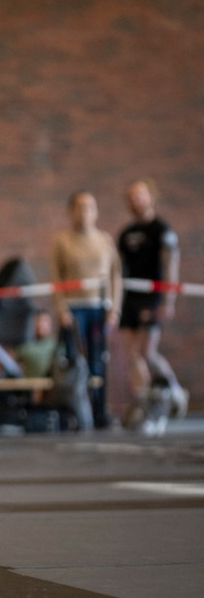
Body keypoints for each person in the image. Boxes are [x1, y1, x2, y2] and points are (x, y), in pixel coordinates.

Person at [117, 179, 186, 429]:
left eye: (141, 195)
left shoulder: (161, 230)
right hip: (130, 298)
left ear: (150, 197)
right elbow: (119, 269)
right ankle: (145, 402)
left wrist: (168, 299)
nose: (136, 200)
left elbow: (170, 264)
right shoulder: (125, 234)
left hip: (152, 297)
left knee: (145, 352)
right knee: (131, 355)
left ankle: (174, 390)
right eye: (132, 196)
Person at [51, 190, 123, 429]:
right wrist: (61, 309)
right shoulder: (63, 241)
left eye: (90, 206)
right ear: (71, 211)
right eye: (80, 207)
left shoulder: (105, 240)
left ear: (96, 211)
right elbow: (57, 278)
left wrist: (114, 311)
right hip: (74, 310)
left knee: (98, 362)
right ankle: (75, 413)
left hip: (99, 309)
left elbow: (115, 277)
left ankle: (99, 411)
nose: (85, 212)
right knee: (74, 362)